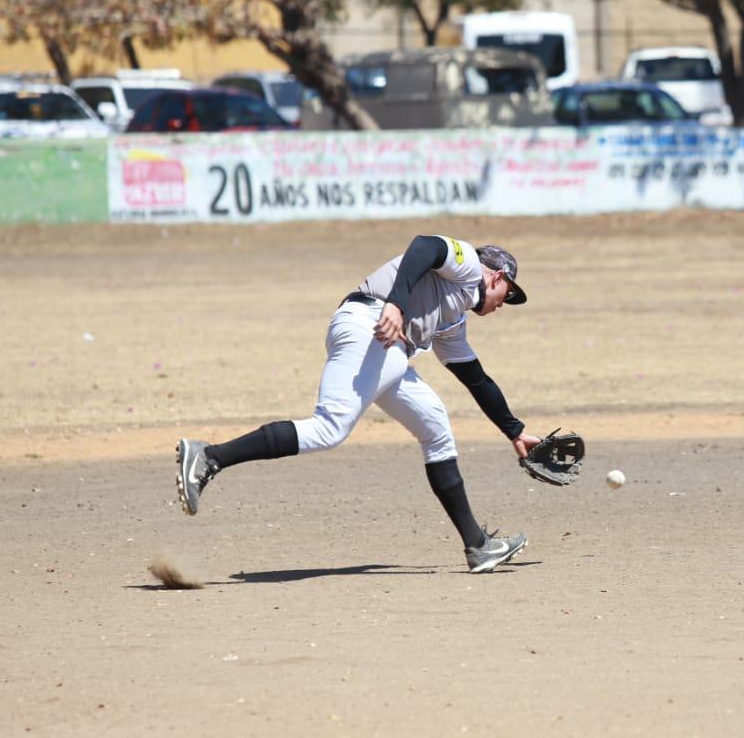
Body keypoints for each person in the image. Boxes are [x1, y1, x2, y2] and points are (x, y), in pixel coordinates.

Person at [174, 234, 541, 573]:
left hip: (387, 348)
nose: (503, 305)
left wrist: (515, 431)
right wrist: (396, 305)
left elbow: (475, 377)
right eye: (508, 295)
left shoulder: (453, 318)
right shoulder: (466, 265)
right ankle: (210, 457)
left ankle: (477, 545)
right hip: (370, 324)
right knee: (329, 428)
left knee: (435, 426)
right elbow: (424, 246)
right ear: (496, 277)